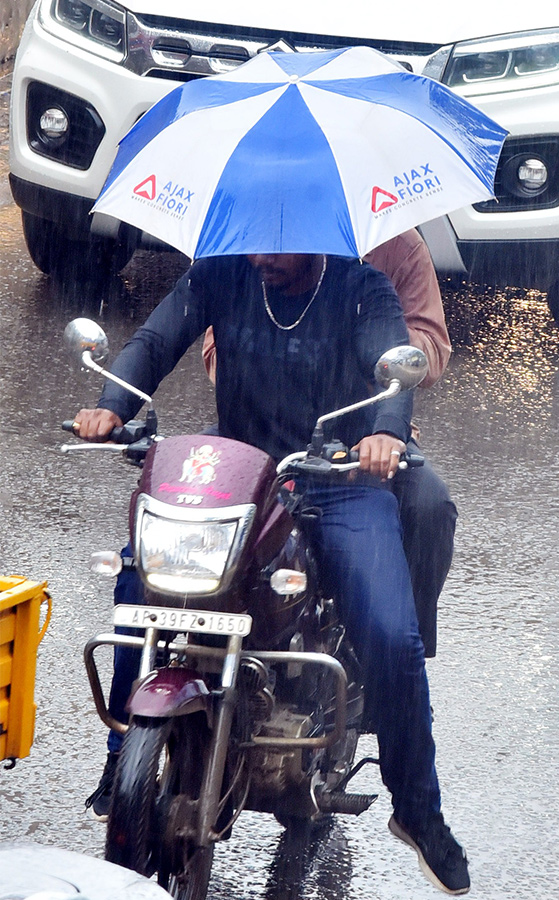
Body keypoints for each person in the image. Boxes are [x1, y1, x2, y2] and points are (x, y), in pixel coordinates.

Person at [73, 251, 470, 895]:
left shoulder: (365, 288)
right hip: (243, 467)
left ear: (316, 240)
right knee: (138, 569)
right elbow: (155, 338)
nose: (263, 257)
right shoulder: (221, 272)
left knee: (393, 637)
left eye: (278, 246)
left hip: (339, 474)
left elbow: (394, 371)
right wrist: (112, 403)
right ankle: (124, 758)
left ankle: (418, 808)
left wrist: (385, 436)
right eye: (255, 240)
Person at [201, 229, 457, 657]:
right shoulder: (249, 242)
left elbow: (432, 347)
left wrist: (372, 341)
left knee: (428, 503)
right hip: (259, 422)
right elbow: (212, 343)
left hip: (367, 436)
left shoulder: (399, 247)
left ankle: (401, 656)